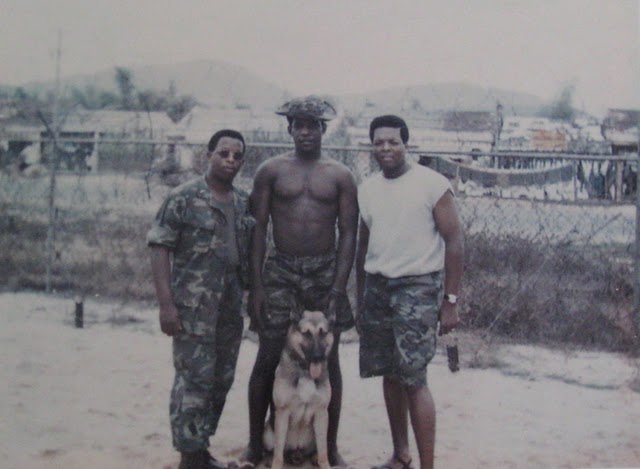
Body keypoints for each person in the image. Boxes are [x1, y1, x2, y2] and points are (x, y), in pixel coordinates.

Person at [236, 96, 359, 468]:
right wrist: (257, 285)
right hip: (282, 270)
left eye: (312, 125)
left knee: (328, 359)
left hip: (324, 271)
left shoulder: (340, 175)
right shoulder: (271, 171)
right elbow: (258, 230)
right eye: (299, 125)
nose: (306, 132)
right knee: (268, 354)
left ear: (323, 129)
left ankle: (329, 448)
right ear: (289, 128)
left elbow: (348, 233)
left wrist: (338, 288)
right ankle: (255, 446)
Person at [356, 115, 464, 469]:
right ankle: (400, 455)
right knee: (389, 373)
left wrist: (450, 301)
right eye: (379, 142)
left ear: (407, 144)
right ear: (372, 146)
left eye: (393, 142)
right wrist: (360, 298)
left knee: (414, 379)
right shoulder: (367, 189)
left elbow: (454, 241)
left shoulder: (431, 184)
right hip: (378, 287)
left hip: (417, 288)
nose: (386, 148)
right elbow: (363, 246)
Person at [148, 129, 254, 469]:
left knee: (221, 378)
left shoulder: (242, 202)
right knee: (193, 380)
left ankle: (201, 448)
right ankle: (189, 457)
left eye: (237, 156)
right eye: (224, 153)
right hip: (193, 308)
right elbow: (159, 247)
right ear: (209, 155)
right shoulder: (183, 197)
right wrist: (166, 305)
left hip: (229, 306)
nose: (230, 160)